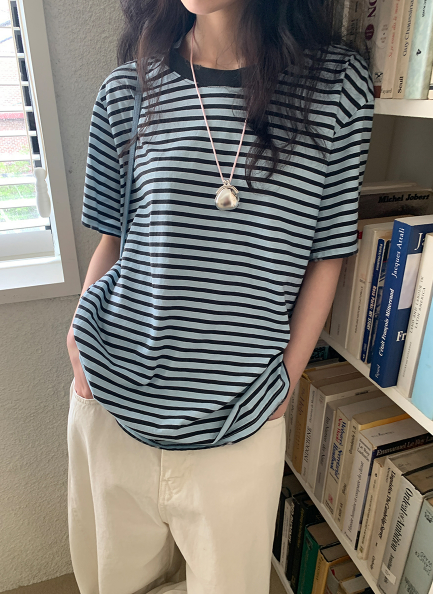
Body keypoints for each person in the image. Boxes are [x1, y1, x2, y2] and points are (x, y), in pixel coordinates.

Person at [66, 0, 374, 592]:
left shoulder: (336, 87)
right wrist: (79, 347)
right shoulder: (128, 90)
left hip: (242, 415)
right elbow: (113, 240)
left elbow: (328, 253)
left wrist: (284, 381)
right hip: (110, 400)